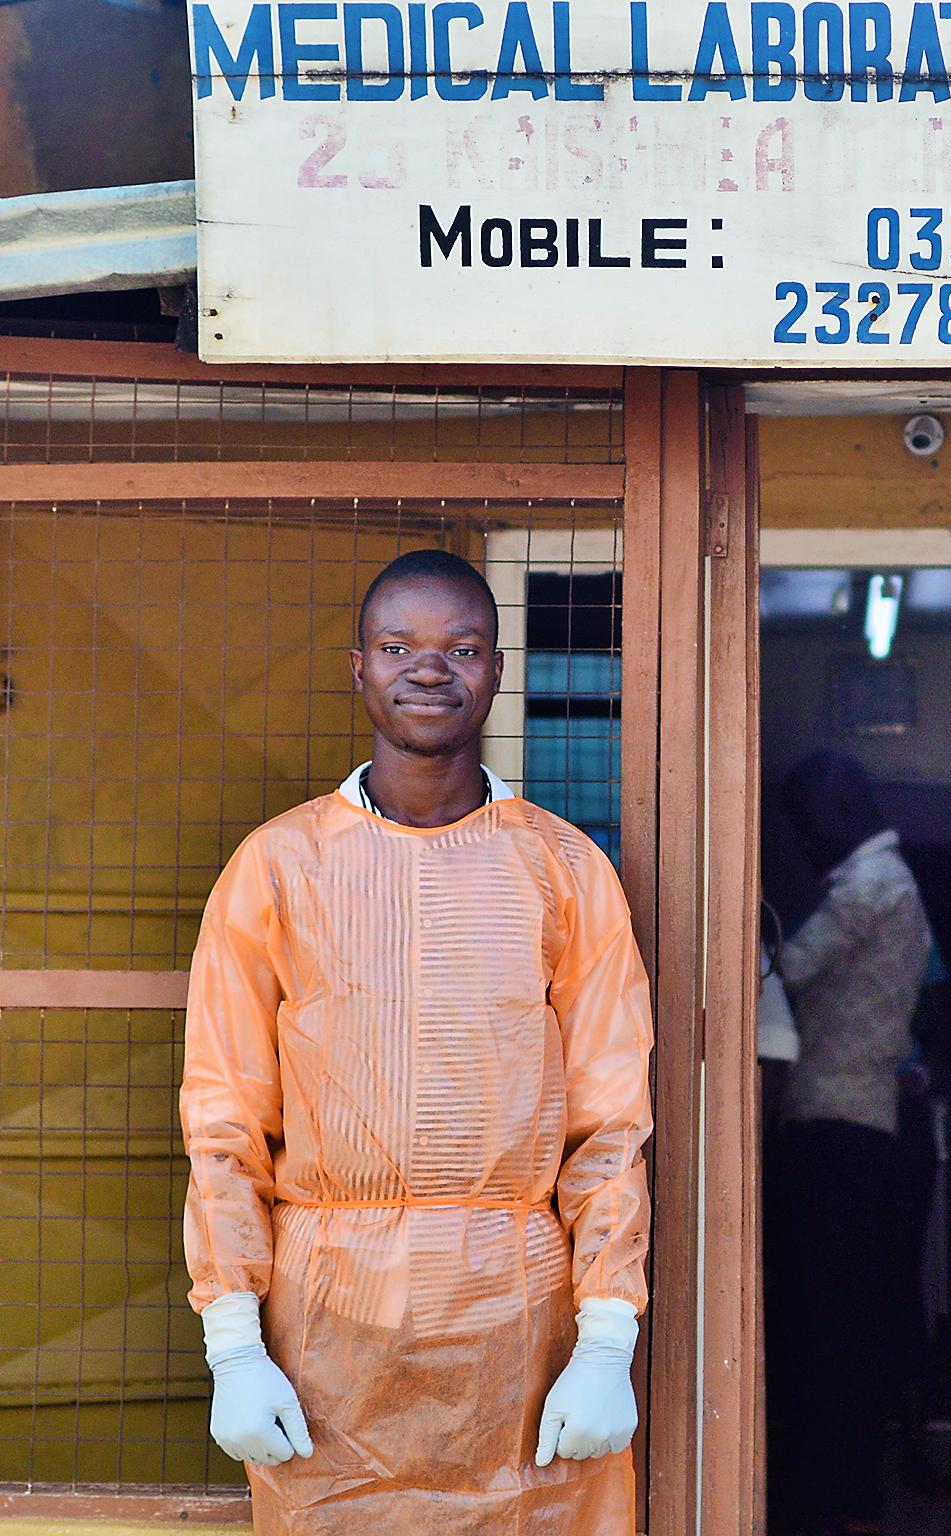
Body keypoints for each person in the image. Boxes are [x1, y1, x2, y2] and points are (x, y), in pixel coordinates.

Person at [179, 550, 654, 1535]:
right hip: (327, 1329)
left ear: (496, 669)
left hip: (520, 1321)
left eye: (461, 647)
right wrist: (232, 1338)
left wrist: (606, 1337)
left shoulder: (565, 871)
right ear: (359, 667)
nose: (428, 671)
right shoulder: (275, 868)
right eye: (399, 646)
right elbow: (224, 1119)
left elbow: (610, 1125)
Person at [767, 750, 932, 1536]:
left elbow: (783, 971)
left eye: (806, 821)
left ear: (842, 810)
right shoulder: (890, 884)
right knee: (846, 1321)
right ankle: (845, 1497)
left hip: (838, 1134)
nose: (802, 840)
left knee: (828, 1326)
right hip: (860, 1130)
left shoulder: (870, 888)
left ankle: (832, 1502)